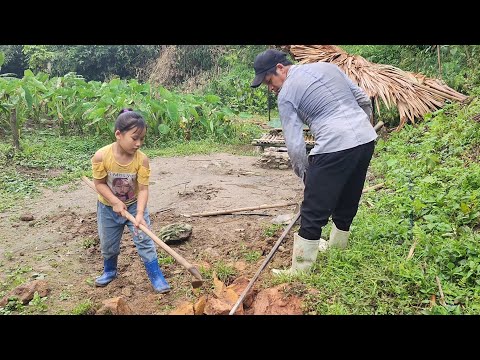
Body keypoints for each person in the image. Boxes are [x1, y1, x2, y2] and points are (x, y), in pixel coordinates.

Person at [251, 49, 377, 275]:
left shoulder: (286, 93)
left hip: (334, 145)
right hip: (366, 139)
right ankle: (338, 248)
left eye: (269, 81)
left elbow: (294, 142)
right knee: (349, 196)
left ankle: (300, 269)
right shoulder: (327, 67)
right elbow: (363, 100)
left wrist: (304, 174)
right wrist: (361, 126)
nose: (270, 88)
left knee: (312, 209)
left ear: (280, 68)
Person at [91, 108, 170, 293]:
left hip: (134, 206)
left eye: (142, 139)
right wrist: (114, 202)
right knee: (108, 244)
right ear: (118, 134)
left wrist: (140, 214)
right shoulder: (102, 156)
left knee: (144, 240)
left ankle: (156, 275)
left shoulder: (142, 160)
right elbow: (99, 184)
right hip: (107, 208)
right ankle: (110, 270)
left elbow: (143, 189)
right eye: (134, 138)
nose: (138, 143)